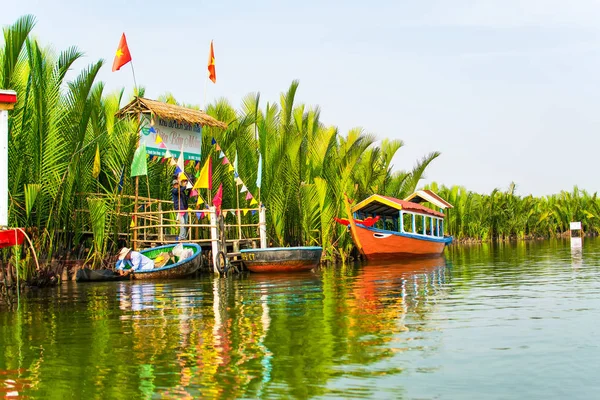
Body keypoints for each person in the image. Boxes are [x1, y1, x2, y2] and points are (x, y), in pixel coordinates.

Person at [171, 174, 190, 240]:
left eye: (177, 184)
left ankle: (183, 236)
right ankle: (181, 236)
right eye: (175, 184)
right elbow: (178, 191)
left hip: (184, 208)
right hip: (179, 209)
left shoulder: (181, 192)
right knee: (182, 223)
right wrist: (185, 186)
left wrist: (189, 191)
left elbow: (186, 198)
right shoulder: (174, 191)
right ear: (173, 185)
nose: (176, 185)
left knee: (185, 222)